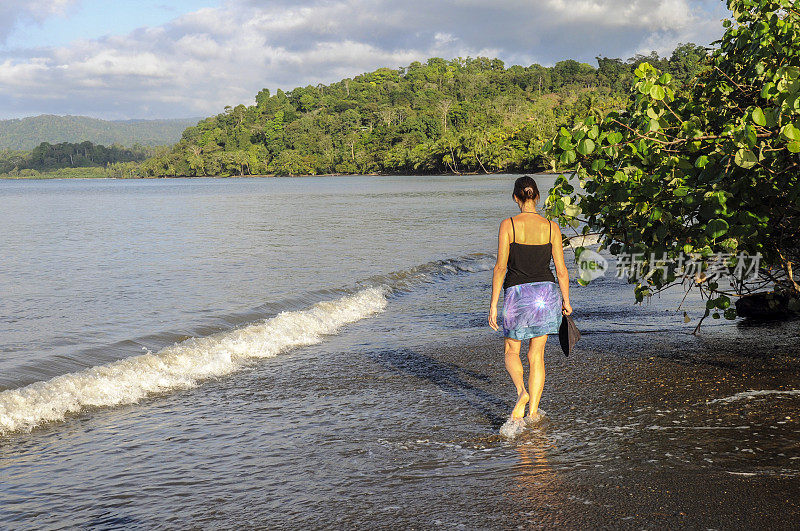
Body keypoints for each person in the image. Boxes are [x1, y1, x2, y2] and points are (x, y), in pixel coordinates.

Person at [488, 175, 572, 422]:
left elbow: (500, 268)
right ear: (537, 196)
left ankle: (521, 392)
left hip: (517, 293)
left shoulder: (509, 225)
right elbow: (562, 270)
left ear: (516, 197)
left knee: (511, 351)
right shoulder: (551, 226)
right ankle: (533, 412)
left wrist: (493, 304)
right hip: (546, 295)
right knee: (537, 355)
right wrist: (566, 300)